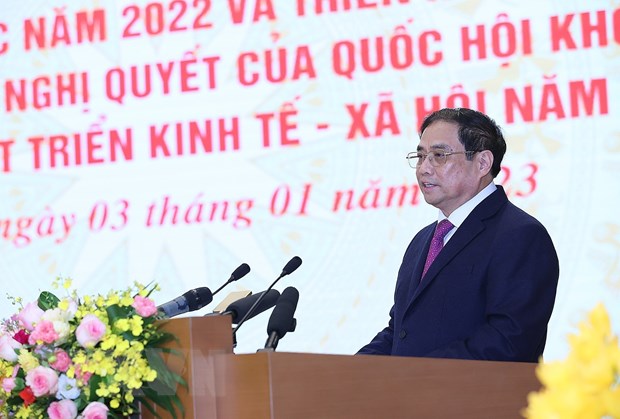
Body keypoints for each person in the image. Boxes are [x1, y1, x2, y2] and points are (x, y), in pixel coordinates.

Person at [357, 107, 559, 362]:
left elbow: (509, 341)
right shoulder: (422, 241)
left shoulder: (521, 236)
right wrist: (350, 370)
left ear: (482, 163)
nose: (423, 168)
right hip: (413, 386)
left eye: (439, 155)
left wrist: (416, 373)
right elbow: (400, 333)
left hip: (472, 388)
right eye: (421, 156)